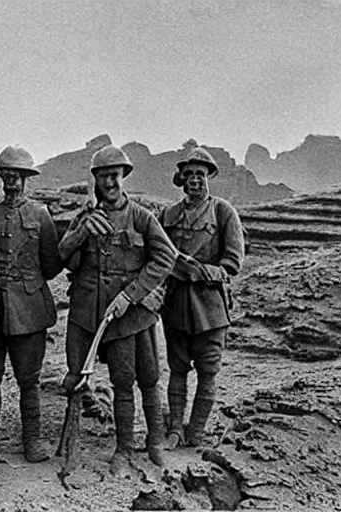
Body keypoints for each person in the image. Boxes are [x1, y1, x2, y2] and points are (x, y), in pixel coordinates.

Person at [58, 145, 176, 477]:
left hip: (128, 315)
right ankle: (103, 450)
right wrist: (81, 231)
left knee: (137, 380)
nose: (110, 182)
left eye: (115, 175)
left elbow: (166, 258)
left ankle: (147, 445)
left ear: (123, 177)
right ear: (94, 179)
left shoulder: (141, 216)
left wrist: (132, 295)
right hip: (89, 312)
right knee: (83, 379)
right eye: (103, 176)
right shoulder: (84, 216)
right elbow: (62, 256)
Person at [0, 145, 62, 469]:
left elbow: (51, 264)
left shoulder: (41, 215)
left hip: (30, 308)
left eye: (17, 176)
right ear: (0, 177)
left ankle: (32, 441)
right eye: (7, 176)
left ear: (26, 178)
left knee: (29, 378)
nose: (12, 182)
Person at [158, 146, 245, 449]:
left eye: (201, 175)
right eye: (190, 174)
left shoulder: (223, 212)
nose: (195, 180)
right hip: (176, 306)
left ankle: (196, 432)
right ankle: (174, 431)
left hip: (210, 308)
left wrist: (202, 272)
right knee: (178, 369)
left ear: (209, 178)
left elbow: (233, 262)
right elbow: (156, 256)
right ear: (181, 179)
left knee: (208, 371)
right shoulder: (167, 215)